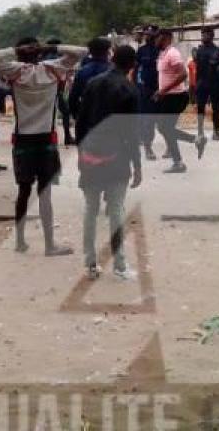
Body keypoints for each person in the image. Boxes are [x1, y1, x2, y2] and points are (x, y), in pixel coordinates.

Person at [0, 38, 87, 256]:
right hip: (46, 142)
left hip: (22, 140)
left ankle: (20, 241)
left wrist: (14, 48)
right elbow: (82, 52)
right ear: (39, 54)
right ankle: (50, 245)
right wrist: (51, 48)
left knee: (23, 192)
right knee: (45, 194)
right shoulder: (52, 69)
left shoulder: (15, 71)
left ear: (20, 55)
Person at [76, 45, 141, 280]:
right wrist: (137, 165)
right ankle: (120, 265)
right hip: (117, 156)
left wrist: (80, 154)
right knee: (116, 211)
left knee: (90, 210)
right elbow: (132, 132)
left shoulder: (92, 83)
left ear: (113, 59)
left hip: (91, 153)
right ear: (133, 64)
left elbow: (81, 122)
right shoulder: (130, 90)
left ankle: (91, 264)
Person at [153, 29, 205, 173]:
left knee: (165, 128)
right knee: (165, 129)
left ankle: (180, 161)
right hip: (168, 97)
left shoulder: (172, 53)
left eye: (158, 38)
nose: (155, 40)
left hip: (175, 97)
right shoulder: (162, 54)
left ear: (166, 38)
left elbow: (183, 75)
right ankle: (193, 143)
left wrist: (163, 90)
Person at [194, 29, 219, 142]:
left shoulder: (218, 51)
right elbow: (197, 70)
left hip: (215, 83)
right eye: (202, 34)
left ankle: (216, 132)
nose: (202, 36)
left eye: (205, 35)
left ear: (211, 36)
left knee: (216, 108)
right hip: (202, 83)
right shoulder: (199, 51)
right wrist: (196, 85)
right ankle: (200, 133)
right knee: (200, 108)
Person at [68, 36, 111, 120]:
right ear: (107, 52)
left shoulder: (82, 72)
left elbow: (73, 97)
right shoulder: (114, 71)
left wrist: (77, 115)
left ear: (90, 51)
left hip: (87, 115)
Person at [44, 39, 76, 145]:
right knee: (65, 112)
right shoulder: (56, 59)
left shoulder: (42, 58)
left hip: (47, 90)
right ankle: (67, 136)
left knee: (49, 115)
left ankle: (49, 138)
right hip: (56, 90)